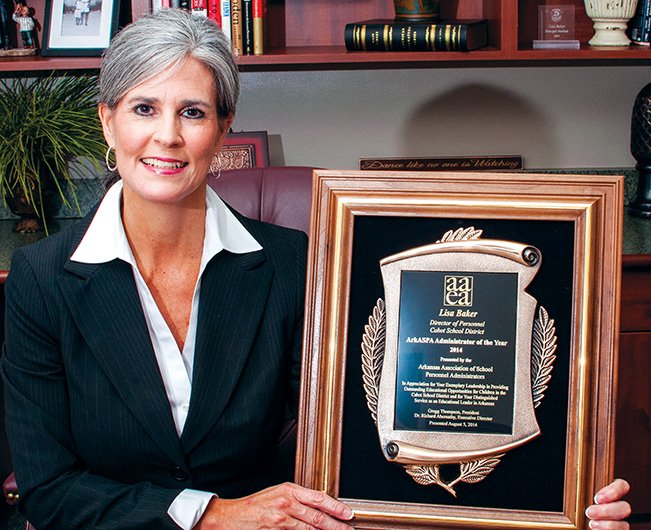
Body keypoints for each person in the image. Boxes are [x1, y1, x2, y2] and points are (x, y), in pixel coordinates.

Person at [0, 8, 632, 530]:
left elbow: (385, 416)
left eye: (192, 112)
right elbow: (50, 490)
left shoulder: (293, 264)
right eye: (143, 108)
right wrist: (215, 514)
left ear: (223, 131)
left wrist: (554, 487)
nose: (166, 135)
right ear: (106, 119)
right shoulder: (41, 279)